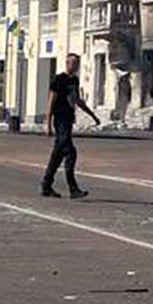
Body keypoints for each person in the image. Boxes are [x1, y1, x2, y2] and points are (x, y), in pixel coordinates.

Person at [43, 53, 101, 199]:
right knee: (70, 153)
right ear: (67, 63)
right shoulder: (59, 79)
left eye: (77, 64)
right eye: (72, 63)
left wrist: (92, 115)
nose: (75, 66)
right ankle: (73, 189)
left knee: (57, 155)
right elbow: (51, 101)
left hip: (68, 121)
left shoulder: (74, 80)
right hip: (60, 120)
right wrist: (48, 124)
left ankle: (46, 184)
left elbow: (76, 100)